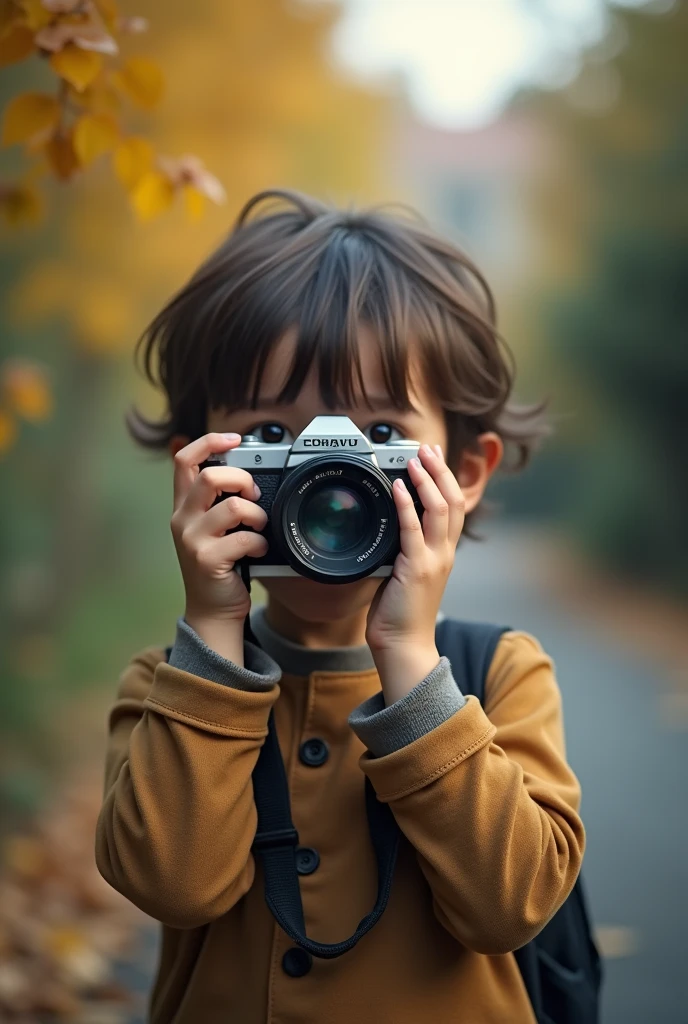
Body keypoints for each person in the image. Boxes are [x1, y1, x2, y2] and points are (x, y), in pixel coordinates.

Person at [95, 188, 585, 1024]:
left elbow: (511, 907)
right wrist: (213, 632)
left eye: (383, 434)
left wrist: (411, 662)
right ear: (199, 466)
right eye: (273, 437)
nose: (334, 477)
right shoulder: (168, 687)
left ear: (466, 471)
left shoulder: (499, 676)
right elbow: (174, 886)